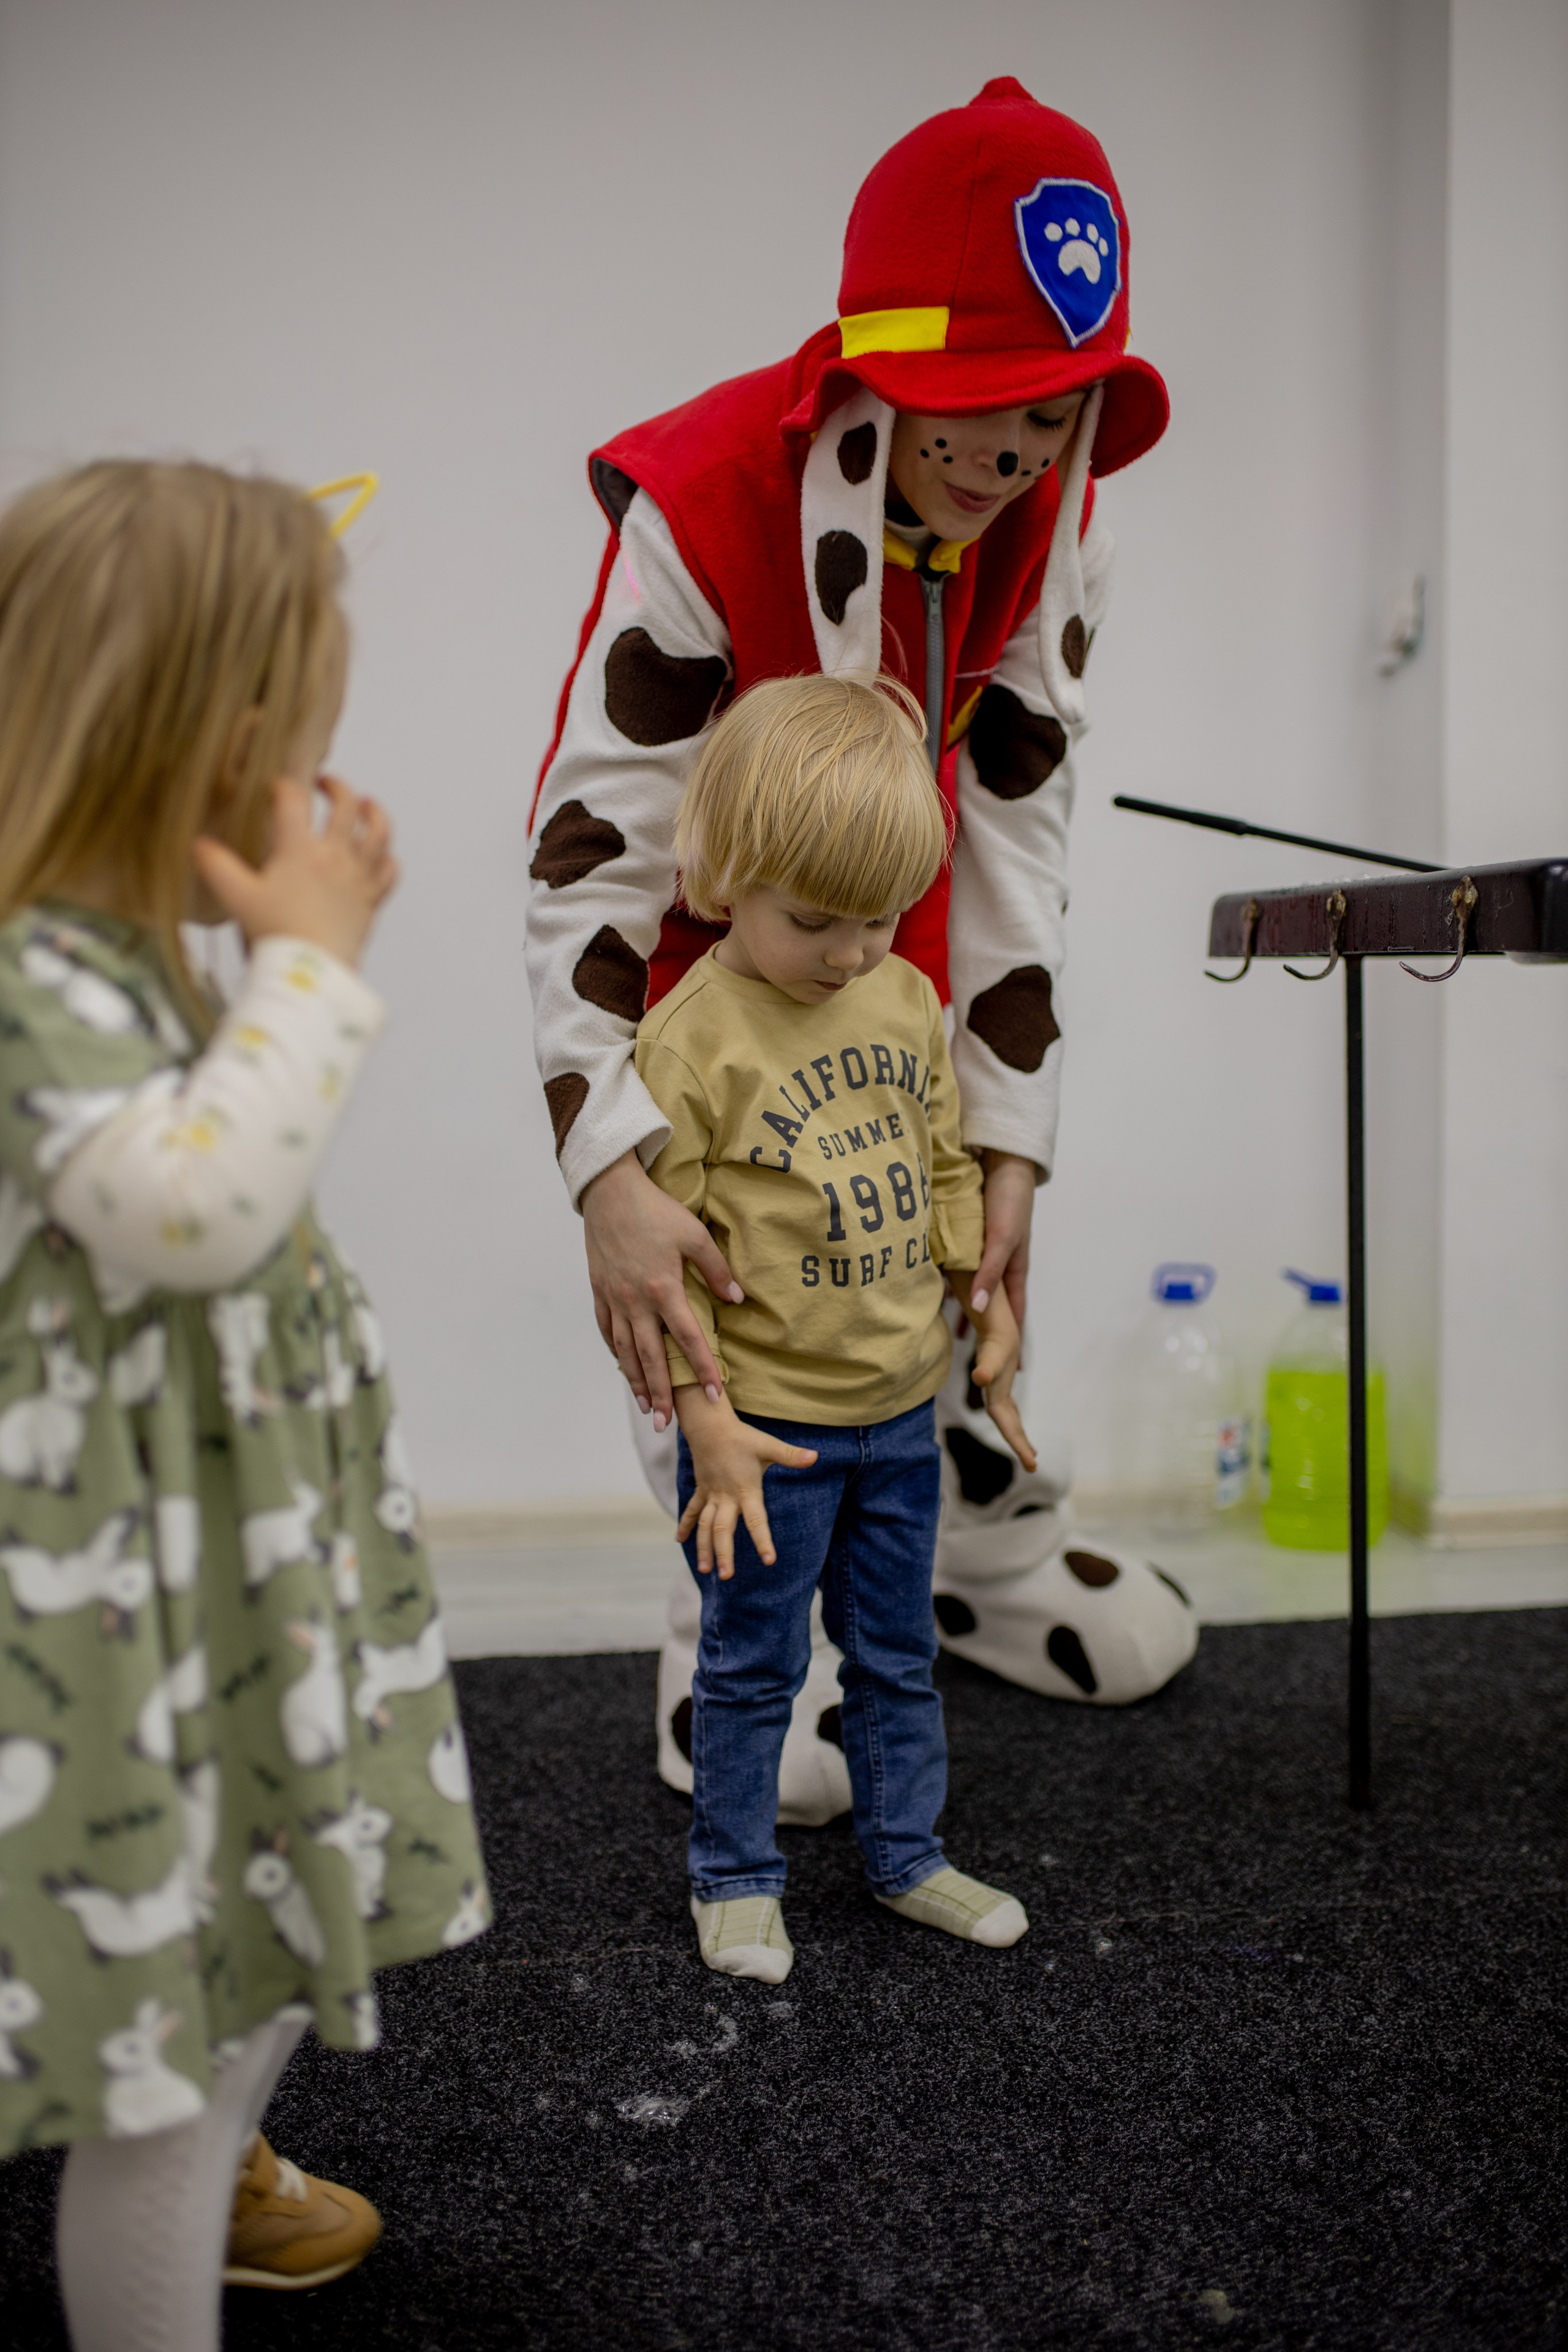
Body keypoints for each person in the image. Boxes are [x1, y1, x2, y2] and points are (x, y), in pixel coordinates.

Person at [526, 76, 1196, 1814]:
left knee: (947, 1262)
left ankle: (972, 1553)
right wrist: (610, 1169)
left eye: (1052, 419)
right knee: (742, 1308)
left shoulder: (1059, 520)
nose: (1010, 465)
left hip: (899, 1004)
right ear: (874, 365)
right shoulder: (705, 500)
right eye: (974, 419)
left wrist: (1010, 1140)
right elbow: (587, 861)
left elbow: (1020, 839)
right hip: (714, 1001)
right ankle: (734, 1628)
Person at [0, 461, 489, 2352]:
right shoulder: (36, 968)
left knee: (229, 1977)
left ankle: (212, 2160)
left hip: (198, 1562)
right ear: (209, 738)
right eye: (307, 721)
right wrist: (315, 967)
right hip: (112, 1592)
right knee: (173, 2046)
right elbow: (188, 1205)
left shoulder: (122, 948)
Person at [639, 674, 1036, 1982]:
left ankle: (906, 1856)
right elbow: (672, 1263)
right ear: (723, 875)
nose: (851, 952)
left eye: (878, 919)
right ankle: (736, 1878)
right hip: (770, 1430)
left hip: (899, 1409)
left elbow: (937, 1165)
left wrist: (981, 1305)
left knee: (896, 1654)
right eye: (814, 920)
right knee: (752, 1666)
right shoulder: (690, 1042)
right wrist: (707, 1424)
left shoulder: (906, 1000)